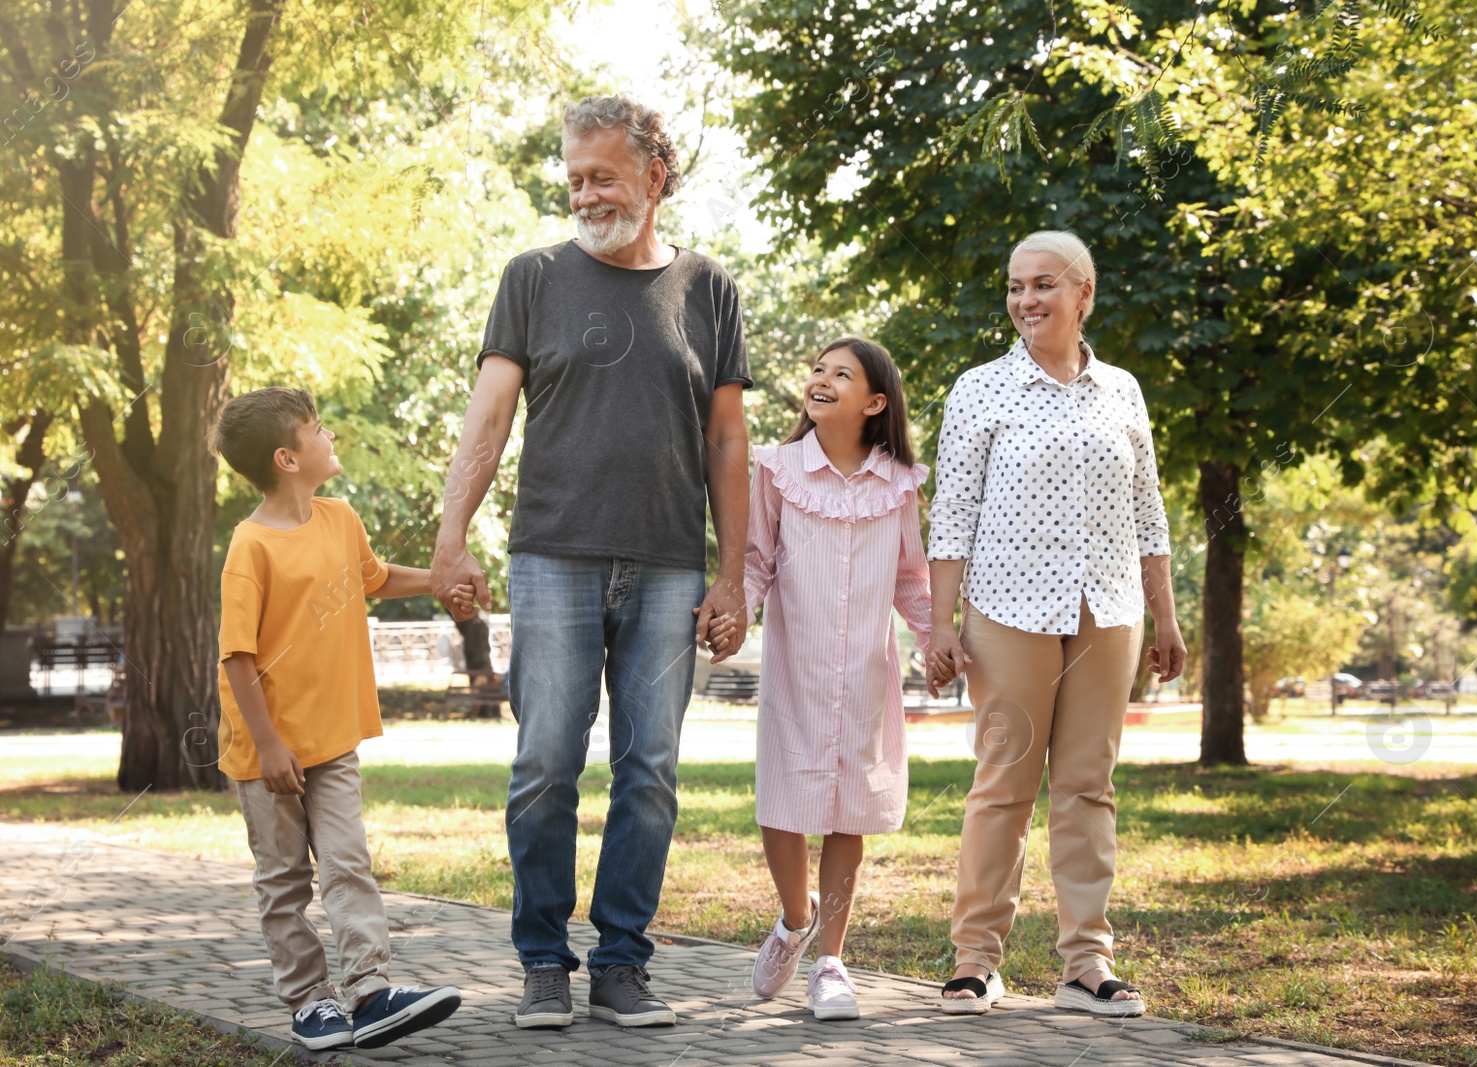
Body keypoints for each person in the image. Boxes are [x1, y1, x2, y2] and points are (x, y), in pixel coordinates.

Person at [428, 94, 751, 1029]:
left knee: (649, 769)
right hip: (553, 556)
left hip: (667, 565)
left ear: (655, 176)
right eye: (572, 178)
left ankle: (621, 963)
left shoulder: (708, 289)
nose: (583, 194)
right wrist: (454, 535)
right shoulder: (532, 278)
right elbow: (488, 420)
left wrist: (732, 574)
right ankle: (542, 959)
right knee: (543, 765)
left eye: (601, 176)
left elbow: (727, 441)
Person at [926, 231, 1186, 1017]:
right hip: (1007, 607)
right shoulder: (979, 389)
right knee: (1003, 781)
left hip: (1109, 611)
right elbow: (953, 515)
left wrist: (1165, 614)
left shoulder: (1123, 391)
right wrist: (941, 622)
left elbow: (1148, 509)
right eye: (1014, 286)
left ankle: (1086, 964)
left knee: (1087, 786)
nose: (1026, 300)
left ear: (1085, 295)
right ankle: (975, 959)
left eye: (1043, 285)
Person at [212, 387, 463, 1050]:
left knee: (348, 861)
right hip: (267, 751)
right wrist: (267, 745)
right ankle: (309, 1001)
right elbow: (236, 656)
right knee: (285, 877)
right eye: (317, 429)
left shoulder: (341, 518)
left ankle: (372, 992)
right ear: (287, 458)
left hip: (334, 739)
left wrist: (442, 578)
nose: (330, 436)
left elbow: (373, 577)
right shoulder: (251, 545)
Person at [732, 337, 946, 1021]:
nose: (821, 378)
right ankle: (796, 917)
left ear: (874, 402)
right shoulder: (777, 468)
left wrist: (938, 635)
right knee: (784, 799)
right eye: (817, 368)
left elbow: (913, 577)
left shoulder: (900, 482)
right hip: (795, 666)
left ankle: (830, 960)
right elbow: (756, 558)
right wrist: (735, 609)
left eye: (840, 373)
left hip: (864, 672)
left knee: (848, 807)